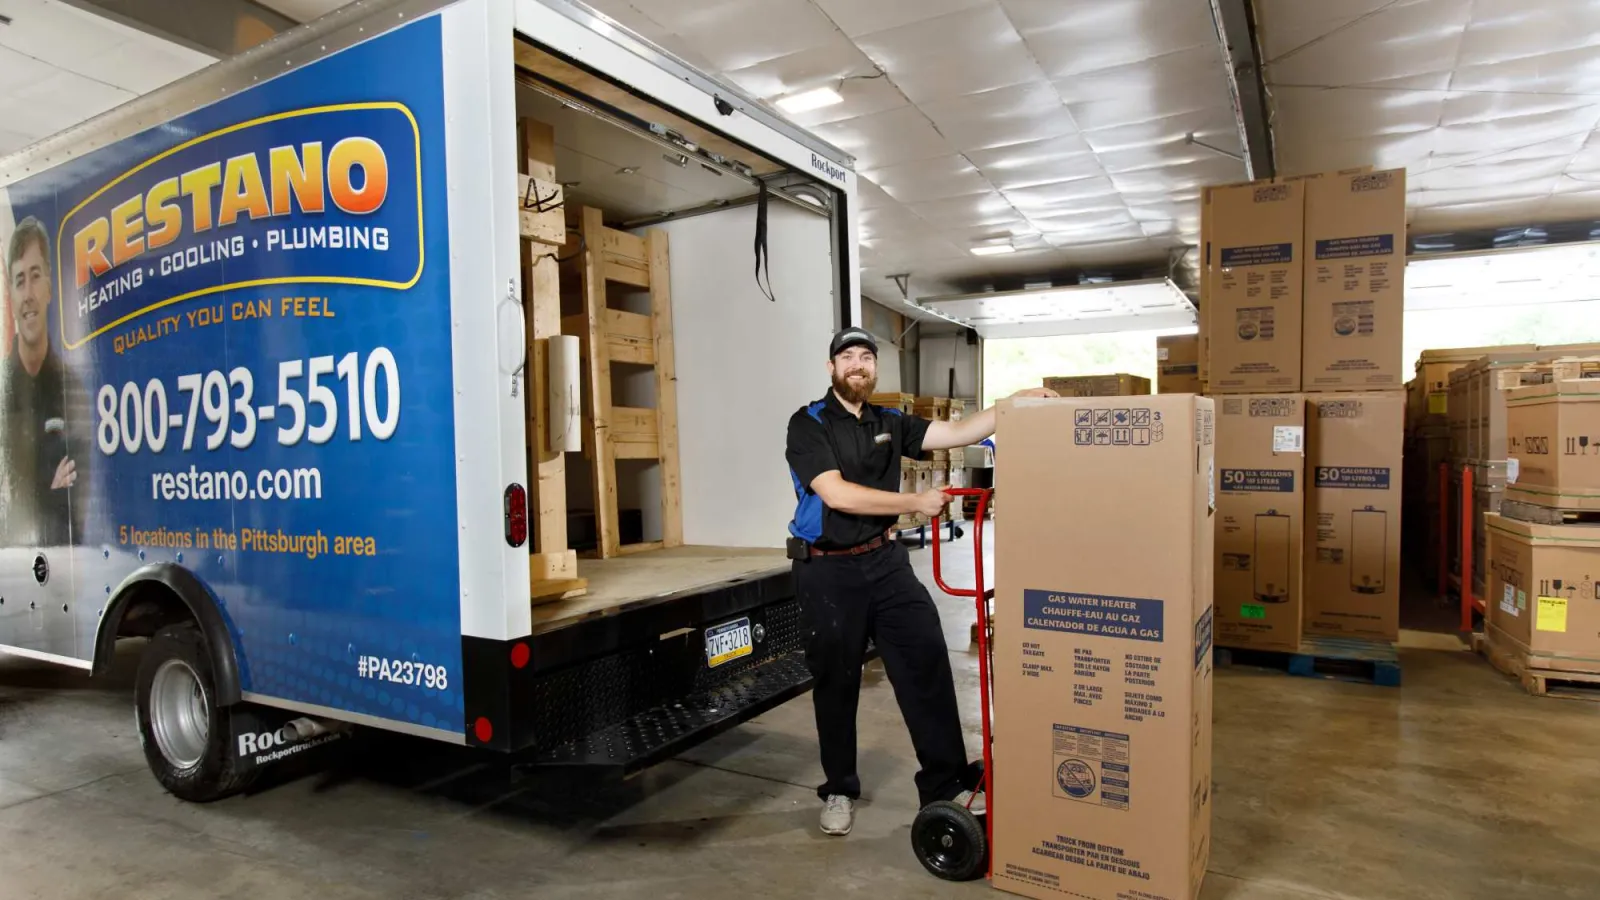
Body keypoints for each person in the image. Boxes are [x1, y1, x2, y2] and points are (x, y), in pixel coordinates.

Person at [784, 326, 1053, 836]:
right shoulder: (808, 423)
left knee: (926, 658)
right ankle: (839, 787)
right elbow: (837, 495)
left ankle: (945, 782)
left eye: (867, 356)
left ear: (875, 369)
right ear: (831, 369)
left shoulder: (890, 421)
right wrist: (913, 503)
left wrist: (1012, 404)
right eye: (848, 357)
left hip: (885, 564)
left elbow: (956, 433)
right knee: (836, 684)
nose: (858, 364)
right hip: (827, 570)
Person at [1, 216, 88, 547]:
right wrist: (47, 493)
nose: (28, 294)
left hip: (67, 573)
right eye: (19, 280)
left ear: (50, 286)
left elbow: (79, 503)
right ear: (10, 296)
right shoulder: (2, 392)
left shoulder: (73, 389)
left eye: (35, 277)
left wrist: (33, 498)